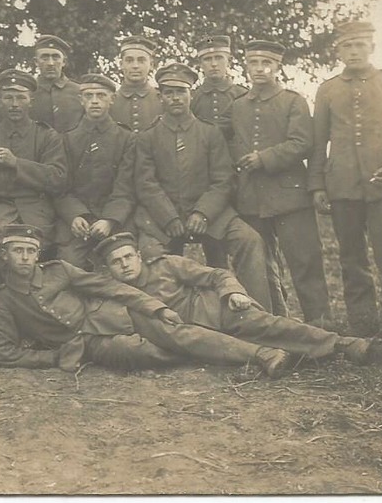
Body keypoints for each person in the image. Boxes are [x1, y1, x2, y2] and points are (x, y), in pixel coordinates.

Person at [0, 224, 284, 376]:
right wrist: (54, 357)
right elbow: (6, 353)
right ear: (5, 256)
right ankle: (215, 351)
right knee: (136, 352)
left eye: (30, 251)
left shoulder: (59, 271)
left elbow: (111, 288)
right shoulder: (3, 300)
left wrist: (156, 306)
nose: (26, 258)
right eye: (18, 251)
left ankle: (262, 354)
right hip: (88, 344)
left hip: (110, 314)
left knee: (173, 330)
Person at [95, 232, 372, 369]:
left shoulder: (166, 265)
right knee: (217, 342)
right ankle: (283, 357)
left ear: (139, 257)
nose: (125, 265)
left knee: (269, 325)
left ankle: (343, 344)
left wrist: (233, 293)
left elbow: (216, 274)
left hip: (217, 310)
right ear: (109, 269)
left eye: (128, 257)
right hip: (191, 336)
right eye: (116, 262)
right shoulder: (119, 297)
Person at [309, 20, 382, 345]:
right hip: (342, 188)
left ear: (372, 46)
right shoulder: (328, 89)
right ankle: (363, 327)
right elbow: (318, 144)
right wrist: (317, 185)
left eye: (360, 44)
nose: (354, 51)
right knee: (351, 259)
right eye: (347, 46)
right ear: (338, 51)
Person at [134, 62, 273, 310]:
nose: (175, 98)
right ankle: (166, 318)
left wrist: (203, 212)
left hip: (212, 215)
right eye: (169, 92)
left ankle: (260, 316)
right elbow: (146, 183)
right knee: (150, 253)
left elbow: (223, 179)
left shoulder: (210, 133)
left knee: (249, 240)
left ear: (191, 94)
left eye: (181, 91)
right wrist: (168, 218)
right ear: (161, 96)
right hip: (164, 218)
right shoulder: (147, 137)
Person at [230, 39, 332, 327]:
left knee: (305, 262)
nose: (260, 69)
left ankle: (321, 325)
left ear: (277, 66)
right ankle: (270, 325)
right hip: (252, 198)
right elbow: (233, 142)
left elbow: (303, 142)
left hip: (291, 197)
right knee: (260, 267)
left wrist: (264, 158)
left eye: (267, 63)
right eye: (254, 63)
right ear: (246, 66)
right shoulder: (238, 106)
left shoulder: (293, 101)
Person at [54, 73, 137, 268]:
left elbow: (126, 187)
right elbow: (60, 187)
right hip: (77, 223)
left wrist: (110, 220)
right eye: (89, 96)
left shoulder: (126, 138)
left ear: (112, 99)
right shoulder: (67, 139)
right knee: (69, 267)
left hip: (116, 220)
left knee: (124, 265)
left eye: (101, 95)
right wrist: (75, 216)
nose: (95, 101)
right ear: (81, 100)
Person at [0, 69, 67, 240]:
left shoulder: (47, 136)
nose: (15, 104)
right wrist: (35, 180)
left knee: (35, 248)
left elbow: (57, 179)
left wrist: (16, 164)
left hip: (37, 214)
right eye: (8, 98)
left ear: (31, 101)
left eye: (21, 98)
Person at [190, 33, 247, 136]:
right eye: (207, 59)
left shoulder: (243, 94)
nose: (214, 64)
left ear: (229, 61)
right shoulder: (193, 97)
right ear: (200, 64)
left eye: (219, 58)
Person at [30, 35, 84, 133]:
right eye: (45, 58)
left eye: (55, 57)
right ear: (36, 62)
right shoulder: (28, 93)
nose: (50, 63)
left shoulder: (80, 92)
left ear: (64, 62)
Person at [110, 35, 163, 133]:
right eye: (129, 60)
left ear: (151, 65)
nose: (135, 66)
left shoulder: (162, 99)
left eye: (141, 60)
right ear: (121, 64)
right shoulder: (110, 100)